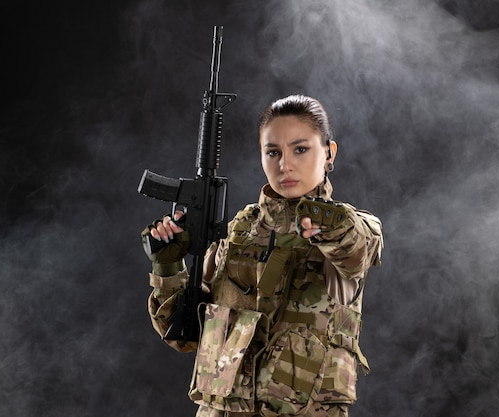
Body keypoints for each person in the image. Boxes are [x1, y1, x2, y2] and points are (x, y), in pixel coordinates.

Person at [142, 95, 383, 417]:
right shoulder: (237, 233)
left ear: (329, 153)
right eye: (273, 152)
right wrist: (168, 267)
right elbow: (183, 336)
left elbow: (355, 246)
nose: (285, 164)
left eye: (301, 149)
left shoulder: (350, 228)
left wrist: (326, 223)